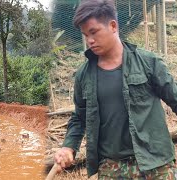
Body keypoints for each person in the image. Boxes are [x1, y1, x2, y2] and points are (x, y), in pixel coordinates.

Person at [53, 0, 177, 179]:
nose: (90, 40)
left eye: (94, 32)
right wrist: (68, 146)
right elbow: (79, 117)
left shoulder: (148, 63)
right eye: (85, 35)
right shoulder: (83, 75)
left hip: (156, 164)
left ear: (113, 26)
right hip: (112, 167)